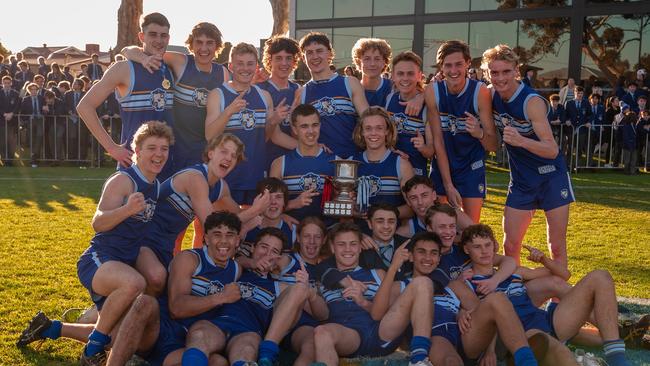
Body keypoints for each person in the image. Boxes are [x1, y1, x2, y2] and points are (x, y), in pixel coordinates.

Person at [17, 121, 174, 364]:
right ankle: (92, 351)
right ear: (137, 151)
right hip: (98, 260)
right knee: (135, 283)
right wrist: (127, 210)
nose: (159, 154)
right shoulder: (123, 180)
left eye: (164, 149)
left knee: (117, 336)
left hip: (121, 265)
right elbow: (98, 222)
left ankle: (50, 328)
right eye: (152, 148)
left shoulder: (156, 186)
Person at [461, 224, 634, 366]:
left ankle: (617, 359)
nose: (484, 251)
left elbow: (563, 275)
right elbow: (480, 321)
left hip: (549, 322)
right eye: (477, 247)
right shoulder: (468, 282)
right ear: (466, 250)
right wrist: (489, 350)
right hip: (524, 335)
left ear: (495, 247)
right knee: (561, 354)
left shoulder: (514, 272)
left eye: (487, 245)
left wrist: (543, 259)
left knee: (600, 276)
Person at [138, 133, 268, 295]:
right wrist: (254, 211)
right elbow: (211, 225)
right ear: (211, 153)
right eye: (224, 151)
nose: (228, 158)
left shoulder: (221, 187)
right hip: (142, 237)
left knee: (161, 293)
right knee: (157, 277)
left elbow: (239, 215)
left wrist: (266, 213)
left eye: (233, 156)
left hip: (165, 244)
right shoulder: (196, 177)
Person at [483, 44, 574, 270]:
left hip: (551, 178)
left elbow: (552, 150)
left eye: (506, 71)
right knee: (511, 243)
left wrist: (521, 140)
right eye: (494, 72)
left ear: (516, 71)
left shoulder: (531, 101)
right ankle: (515, 292)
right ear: (487, 73)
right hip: (522, 180)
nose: (500, 78)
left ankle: (556, 301)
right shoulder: (489, 94)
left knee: (556, 246)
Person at [180, 227, 320, 366]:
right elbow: (233, 250)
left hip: (249, 331)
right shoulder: (236, 269)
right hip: (218, 322)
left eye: (274, 251)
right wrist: (252, 263)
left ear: (279, 257)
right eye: (263, 247)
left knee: (246, 351)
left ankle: (267, 354)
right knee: (199, 335)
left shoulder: (280, 287)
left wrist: (309, 289)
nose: (267, 254)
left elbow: (319, 311)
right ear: (252, 248)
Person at [405, 231, 544, 366]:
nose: (428, 258)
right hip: (439, 335)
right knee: (451, 362)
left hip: (468, 336)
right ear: (411, 256)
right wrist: (458, 313)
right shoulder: (404, 286)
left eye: (434, 253)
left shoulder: (454, 284)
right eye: (421, 252)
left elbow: (485, 311)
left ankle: (527, 362)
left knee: (497, 298)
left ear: (439, 258)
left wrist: (489, 351)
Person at [313, 222, 434, 366]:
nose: (347, 249)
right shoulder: (323, 279)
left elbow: (385, 311)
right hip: (348, 335)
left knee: (423, 282)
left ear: (360, 247)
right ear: (333, 248)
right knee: (322, 332)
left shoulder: (377, 273)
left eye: (353, 244)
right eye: (341, 244)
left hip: (382, 330)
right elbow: (320, 315)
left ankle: (419, 359)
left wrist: (362, 301)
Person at [77, 12, 175, 180]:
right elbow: (84, 106)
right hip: (134, 165)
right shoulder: (124, 68)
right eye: (152, 34)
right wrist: (112, 148)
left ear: (168, 38)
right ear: (141, 36)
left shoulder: (173, 67)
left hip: (169, 164)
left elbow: (127, 49)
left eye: (163, 35)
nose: (159, 40)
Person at [123, 21, 230, 172]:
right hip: (177, 149)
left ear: (217, 46)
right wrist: (143, 59)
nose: (204, 48)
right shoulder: (181, 62)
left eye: (209, 43)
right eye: (199, 42)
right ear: (191, 45)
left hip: (206, 150)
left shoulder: (222, 73)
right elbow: (128, 50)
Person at [205, 42, 296, 205]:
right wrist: (228, 112)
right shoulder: (218, 94)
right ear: (231, 66)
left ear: (257, 66)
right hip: (226, 174)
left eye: (250, 64)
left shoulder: (264, 96)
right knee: (225, 226)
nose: (245, 68)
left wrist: (273, 121)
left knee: (253, 225)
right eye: (240, 64)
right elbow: (209, 135)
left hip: (255, 174)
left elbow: (267, 137)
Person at [424, 40, 498, 223]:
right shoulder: (433, 91)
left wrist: (479, 133)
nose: (454, 70)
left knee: (471, 229)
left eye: (458, 64)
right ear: (441, 67)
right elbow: (438, 142)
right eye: (448, 65)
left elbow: (493, 144)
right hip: (443, 165)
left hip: (471, 166)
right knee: (442, 225)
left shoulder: (480, 92)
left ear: (468, 63)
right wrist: (448, 184)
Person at [297, 32, 369, 158]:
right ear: (304, 58)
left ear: (330, 54)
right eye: (309, 52)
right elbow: (297, 132)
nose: (315, 56)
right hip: (319, 164)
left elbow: (368, 119)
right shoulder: (302, 92)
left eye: (319, 51)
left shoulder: (350, 82)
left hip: (351, 160)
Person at [269, 103, 337, 221]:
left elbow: (343, 208)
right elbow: (269, 207)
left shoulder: (337, 162)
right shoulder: (280, 164)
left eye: (314, 125)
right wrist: (294, 203)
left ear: (320, 126)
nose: (311, 131)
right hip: (292, 233)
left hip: (327, 232)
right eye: (304, 126)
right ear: (294, 129)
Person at [424, 203, 515, 288]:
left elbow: (508, 261)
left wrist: (495, 280)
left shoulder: (463, 250)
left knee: (524, 276)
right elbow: (430, 292)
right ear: (429, 229)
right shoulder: (427, 258)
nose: (448, 232)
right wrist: (457, 283)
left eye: (452, 226)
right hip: (465, 301)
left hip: (490, 292)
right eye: (442, 227)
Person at [353, 106, 415, 218]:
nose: (373, 133)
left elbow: (412, 207)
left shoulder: (401, 164)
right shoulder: (351, 163)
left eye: (379, 128)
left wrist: (381, 217)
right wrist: (352, 210)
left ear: (387, 131)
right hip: (359, 233)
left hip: (390, 233)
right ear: (361, 132)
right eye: (368, 128)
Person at [385, 51, 434, 176]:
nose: (405, 78)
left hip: (416, 174)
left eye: (410, 73)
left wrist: (422, 147)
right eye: (400, 74)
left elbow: (430, 151)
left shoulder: (427, 106)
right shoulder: (389, 99)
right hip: (390, 171)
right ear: (393, 76)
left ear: (419, 76)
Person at [257, 36, 302, 166]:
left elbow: (298, 132)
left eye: (288, 58)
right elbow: (275, 136)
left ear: (294, 61)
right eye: (279, 58)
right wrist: (309, 149)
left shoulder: (298, 89)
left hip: (293, 161)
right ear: (269, 60)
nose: (284, 63)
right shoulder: (260, 89)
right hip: (268, 161)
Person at [19, 82, 45, 167]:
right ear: (29, 90)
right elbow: (22, 112)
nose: (34, 91)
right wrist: (26, 120)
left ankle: (34, 157)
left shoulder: (42, 98)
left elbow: (46, 110)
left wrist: (45, 110)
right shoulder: (26, 99)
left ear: (37, 90)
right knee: (32, 139)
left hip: (40, 120)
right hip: (30, 121)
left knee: (39, 136)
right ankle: (34, 158)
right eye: (32, 90)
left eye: (35, 89)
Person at [65, 78, 90, 161]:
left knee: (82, 138)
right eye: (73, 83)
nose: (73, 85)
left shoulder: (85, 94)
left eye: (75, 84)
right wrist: (69, 111)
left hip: (82, 119)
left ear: (80, 86)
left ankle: (82, 157)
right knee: (72, 137)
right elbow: (65, 104)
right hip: (72, 119)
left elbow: (87, 105)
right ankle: (72, 157)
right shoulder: (68, 94)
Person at [1, 75, 20, 165]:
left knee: (11, 142)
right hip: (1, 120)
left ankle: (10, 160)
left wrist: (12, 114)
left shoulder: (16, 93)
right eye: (5, 83)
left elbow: (18, 106)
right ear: (2, 83)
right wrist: (4, 114)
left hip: (12, 121)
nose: (7, 85)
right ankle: (4, 159)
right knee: (2, 141)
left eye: (8, 83)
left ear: (11, 83)